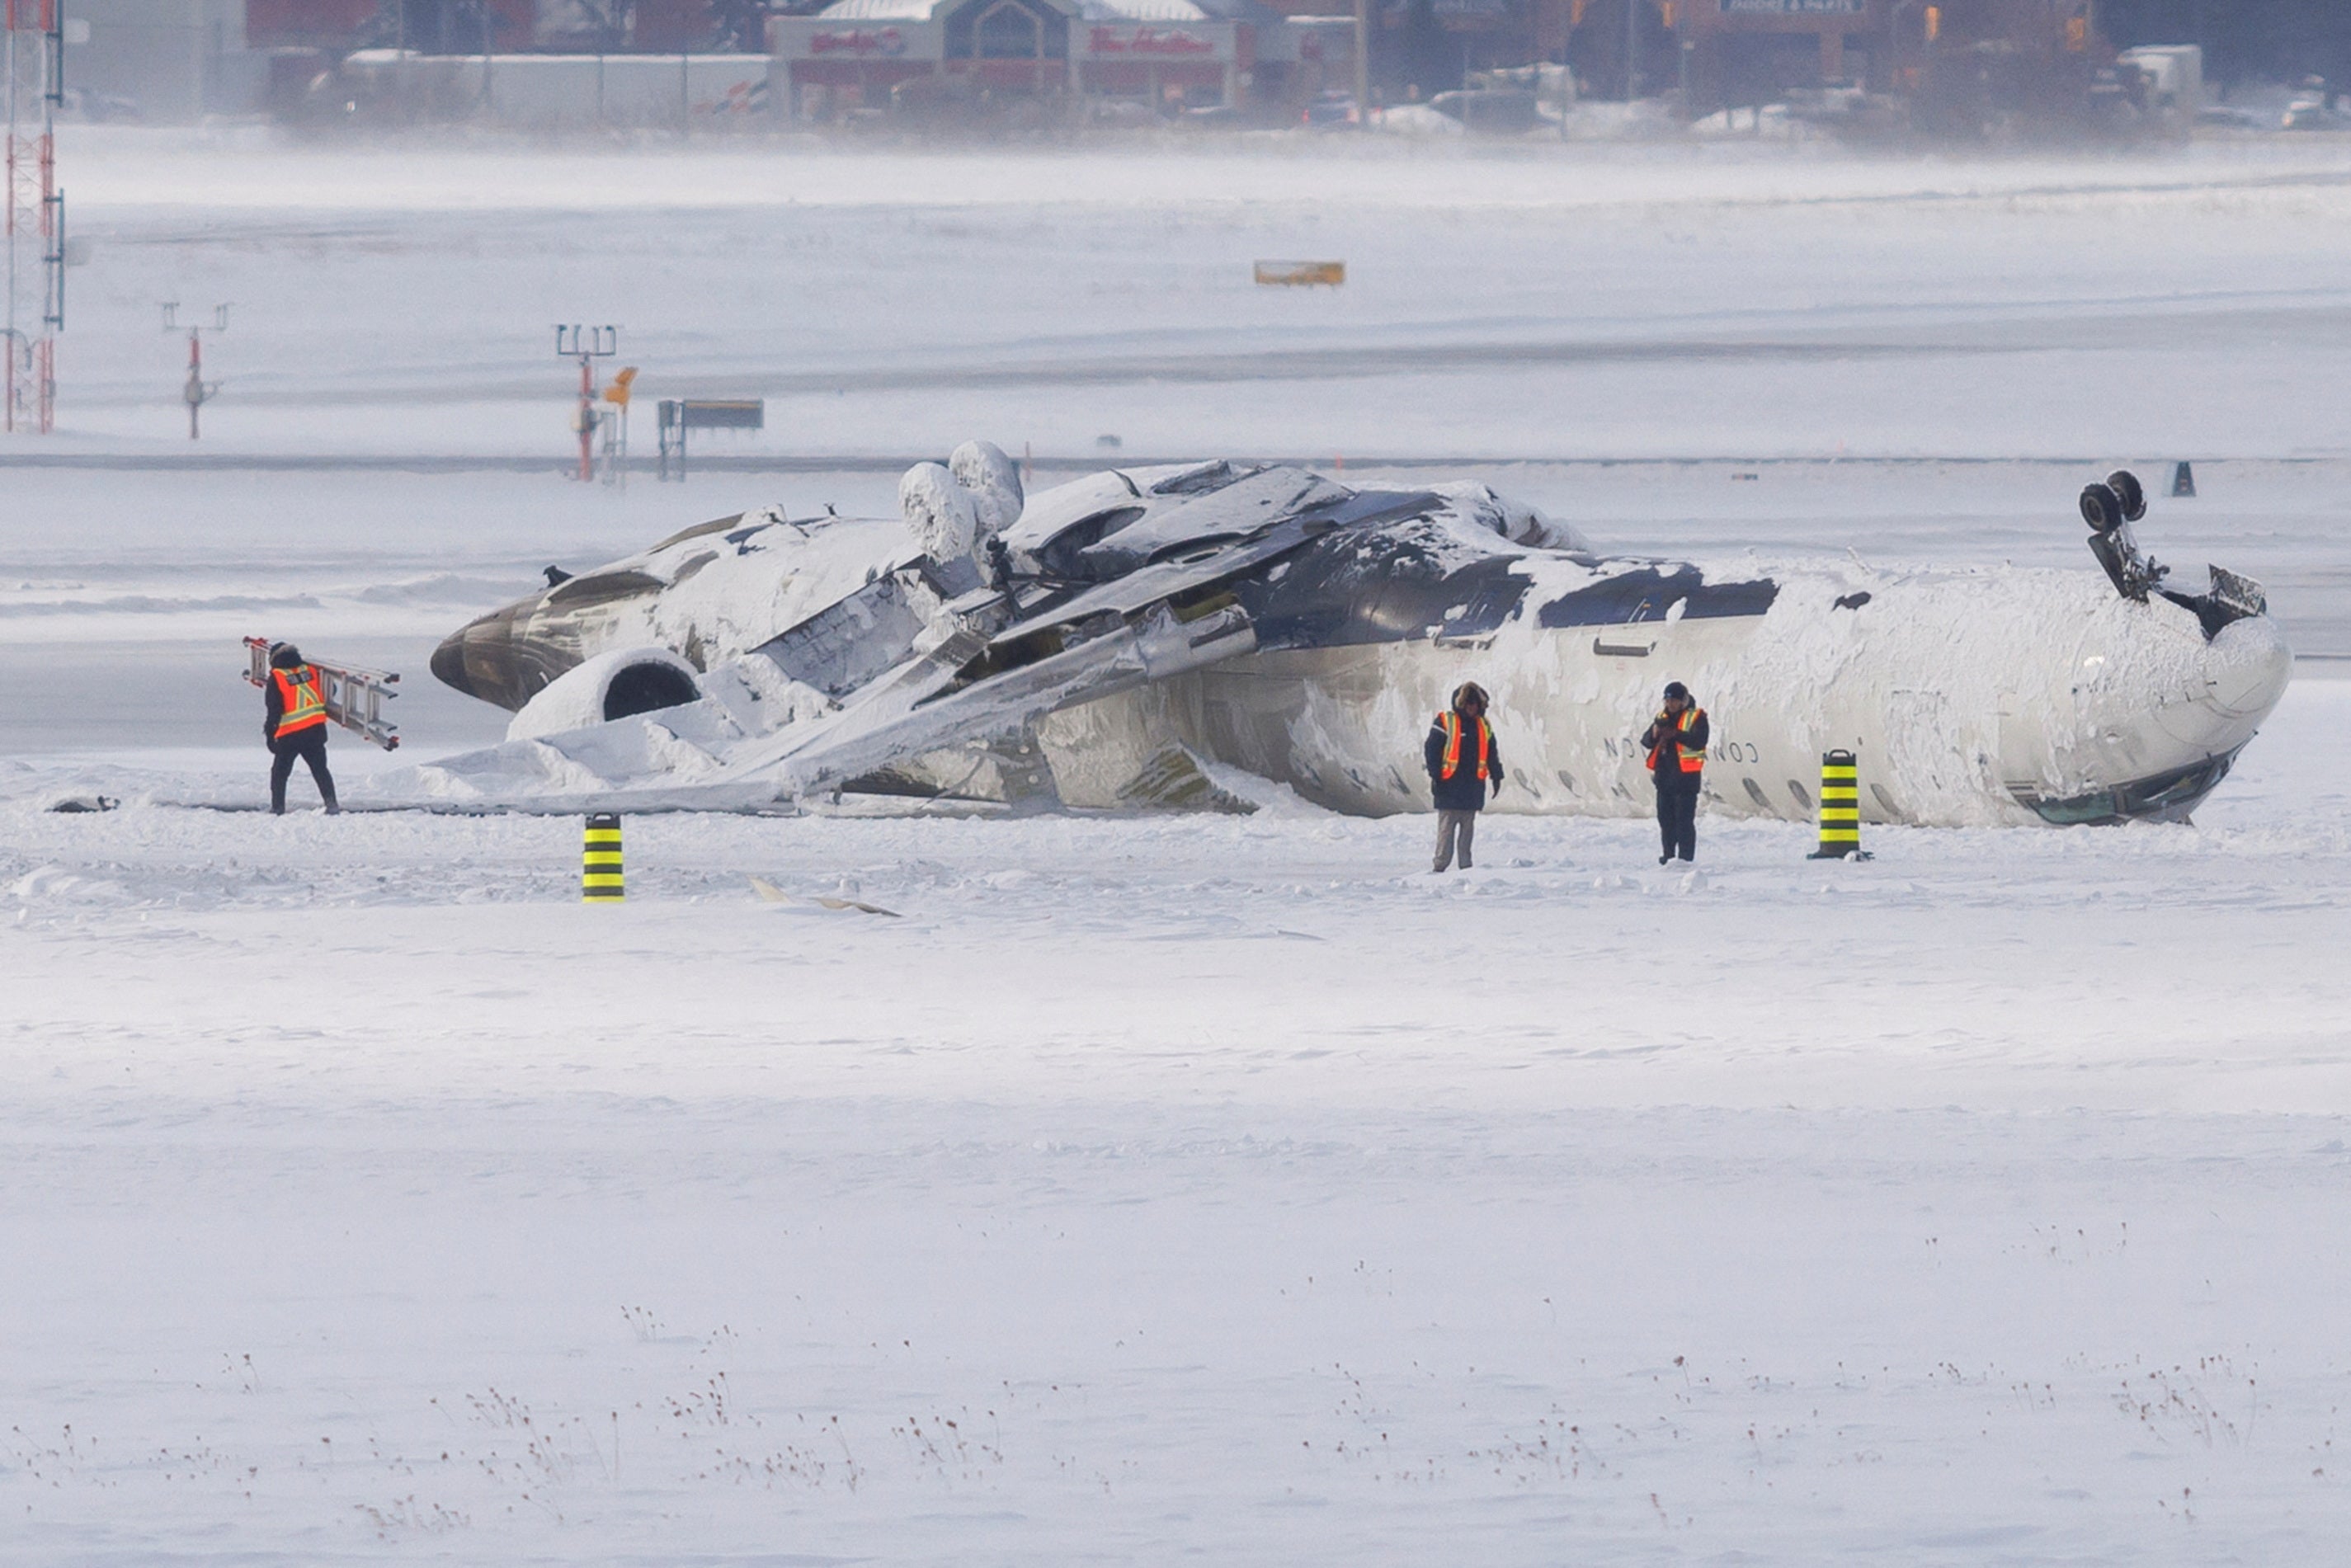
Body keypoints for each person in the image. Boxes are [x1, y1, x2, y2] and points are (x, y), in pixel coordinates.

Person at [1424, 681, 1505, 873]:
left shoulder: (1483, 726)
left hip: (1472, 789)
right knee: (1446, 831)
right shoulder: (1445, 722)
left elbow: (1492, 753)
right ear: (1461, 704)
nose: (1472, 708)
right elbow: (1432, 749)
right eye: (1468, 704)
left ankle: (1466, 867)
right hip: (1449, 787)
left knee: (1467, 832)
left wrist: (1497, 776)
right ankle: (1440, 866)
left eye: (1475, 704)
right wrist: (1435, 774)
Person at [263, 643, 339, 816]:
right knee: (320, 770)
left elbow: (274, 709)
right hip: (315, 730)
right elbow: (330, 689)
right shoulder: (310, 670)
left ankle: (277, 808)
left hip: (290, 734)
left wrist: (270, 735)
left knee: (279, 774)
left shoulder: (277, 676)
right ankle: (332, 804)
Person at [1641, 680, 1708, 864]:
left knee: (1684, 823)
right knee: (1666, 822)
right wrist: (1655, 734)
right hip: (1665, 779)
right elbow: (1646, 741)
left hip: (1686, 780)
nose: (1670, 704)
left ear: (1683, 701)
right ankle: (1668, 855)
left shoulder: (1696, 717)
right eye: (1667, 700)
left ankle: (1685, 859)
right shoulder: (1662, 717)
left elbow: (1699, 741)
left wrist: (1676, 734)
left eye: (1674, 701)